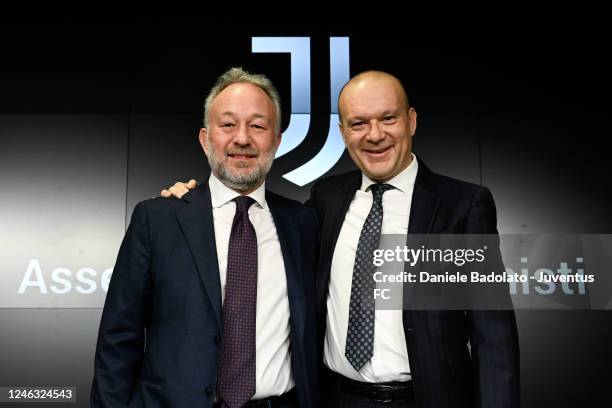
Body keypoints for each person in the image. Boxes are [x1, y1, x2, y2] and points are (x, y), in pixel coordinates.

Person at [163, 70, 519, 408]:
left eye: (388, 118)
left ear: (411, 120)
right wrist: (192, 200)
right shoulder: (326, 199)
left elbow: (494, 337)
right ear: (343, 131)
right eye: (359, 123)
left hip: (427, 398)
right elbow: (257, 218)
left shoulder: (461, 204)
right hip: (334, 398)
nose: (375, 134)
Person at [92, 67, 320, 408]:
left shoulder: (303, 223)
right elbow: (118, 339)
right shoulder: (158, 219)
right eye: (227, 125)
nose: (242, 138)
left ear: (277, 141)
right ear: (204, 138)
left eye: (257, 125)